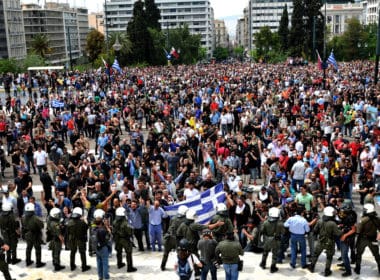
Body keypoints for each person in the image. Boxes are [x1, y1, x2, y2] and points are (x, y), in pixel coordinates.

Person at [309, 206, 343, 277]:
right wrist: (341, 230)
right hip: (330, 242)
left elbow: (315, 231)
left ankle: (312, 267)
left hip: (320, 241)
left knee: (316, 255)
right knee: (329, 257)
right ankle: (327, 271)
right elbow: (338, 234)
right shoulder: (333, 223)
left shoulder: (320, 221)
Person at [354, 203, 380, 275]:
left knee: (359, 254)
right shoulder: (377, 219)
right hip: (373, 239)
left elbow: (358, 231)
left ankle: (357, 269)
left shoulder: (363, 220)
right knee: (377, 255)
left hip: (363, 239)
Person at [161, 205, 188, 271]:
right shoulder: (185, 220)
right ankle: (181, 267)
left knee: (165, 253)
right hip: (178, 239)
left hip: (169, 237)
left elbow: (170, 226)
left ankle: (162, 266)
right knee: (180, 254)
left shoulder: (173, 218)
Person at [260, 207, 284, 273]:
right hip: (276, 240)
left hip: (267, 239)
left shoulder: (265, 222)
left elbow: (262, 231)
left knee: (265, 252)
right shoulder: (280, 223)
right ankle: (273, 267)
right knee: (275, 254)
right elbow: (283, 232)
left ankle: (263, 264)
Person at [113, 207, 137, 272]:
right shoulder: (125, 222)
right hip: (125, 240)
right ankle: (130, 267)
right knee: (128, 253)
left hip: (117, 239)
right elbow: (130, 232)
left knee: (119, 252)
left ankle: (119, 263)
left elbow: (113, 230)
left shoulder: (115, 221)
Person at [67, 207, 91, 272]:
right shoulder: (82, 223)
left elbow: (67, 232)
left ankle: (72, 266)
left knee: (72, 252)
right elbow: (87, 227)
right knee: (82, 253)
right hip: (81, 239)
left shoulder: (69, 222)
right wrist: (85, 220)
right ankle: (84, 266)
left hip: (72, 239)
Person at [22, 202, 45, 267]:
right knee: (37, 249)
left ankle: (28, 261)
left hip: (27, 234)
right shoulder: (36, 218)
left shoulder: (23, 217)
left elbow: (23, 225)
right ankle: (38, 263)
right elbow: (42, 226)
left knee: (28, 248)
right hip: (35, 235)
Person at [337, 201, 357, 277]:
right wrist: (342, 225)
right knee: (344, 252)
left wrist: (345, 235)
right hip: (347, 234)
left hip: (348, 237)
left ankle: (348, 271)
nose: (342, 210)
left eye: (344, 208)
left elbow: (353, 229)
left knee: (344, 253)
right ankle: (345, 263)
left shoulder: (351, 216)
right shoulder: (350, 213)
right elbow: (345, 221)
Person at [92, 209, 111, 280]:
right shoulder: (103, 230)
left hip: (97, 248)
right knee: (105, 263)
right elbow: (109, 237)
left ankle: (100, 277)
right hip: (103, 248)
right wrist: (107, 228)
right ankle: (106, 277)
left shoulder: (93, 228)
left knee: (99, 262)